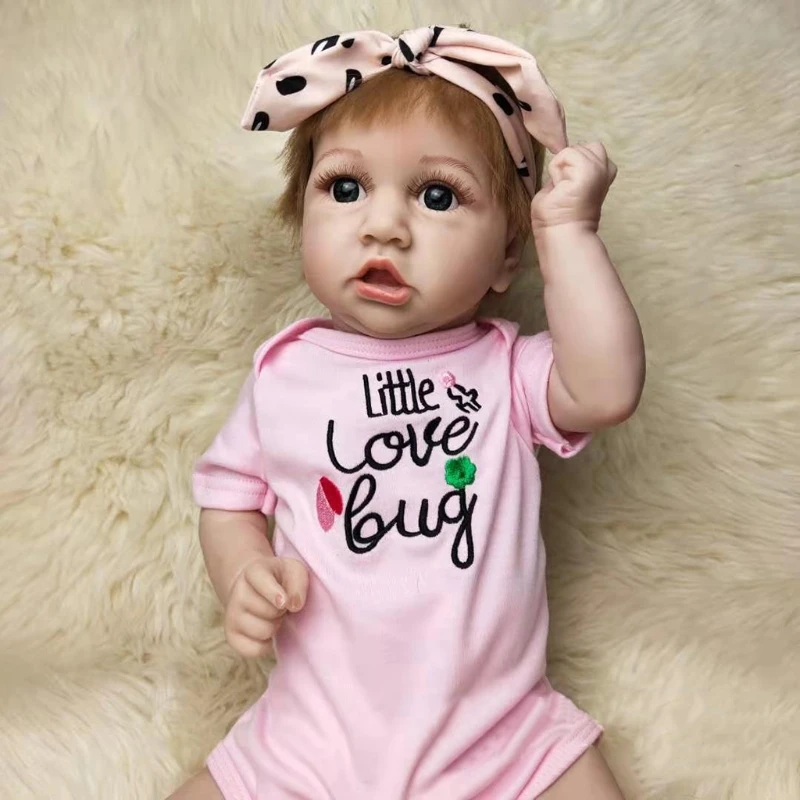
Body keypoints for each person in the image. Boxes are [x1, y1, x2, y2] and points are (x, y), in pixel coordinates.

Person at [169, 23, 644, 800]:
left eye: (437, 196)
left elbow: (607, 390)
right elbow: (227, 500)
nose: (384, 226)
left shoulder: (506, 369)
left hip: (500, 737)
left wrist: (569, 231)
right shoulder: (286, 374)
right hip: (311, 738)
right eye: (345, 188)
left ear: (507, 257)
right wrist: (244, 571)